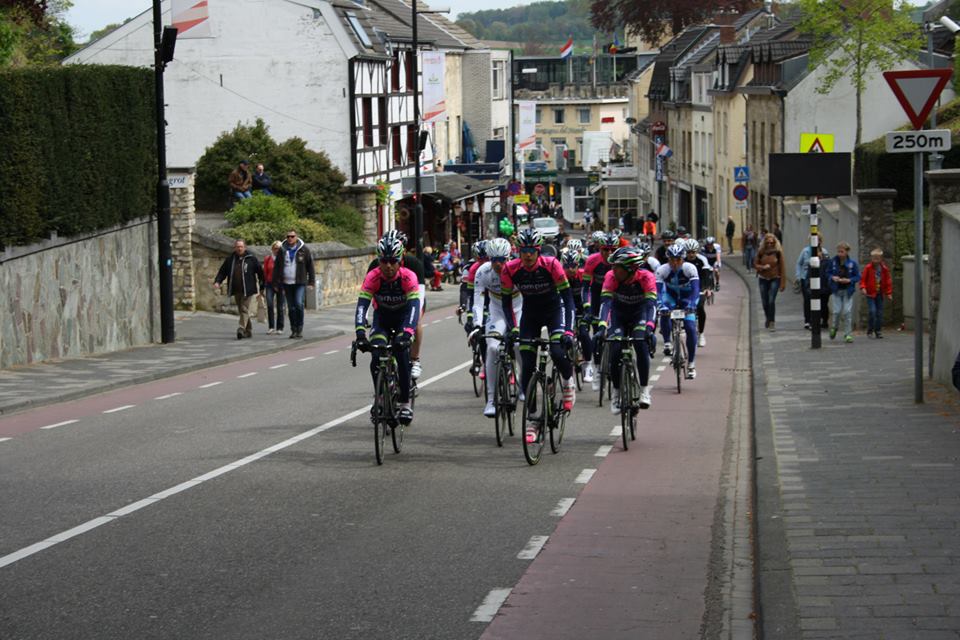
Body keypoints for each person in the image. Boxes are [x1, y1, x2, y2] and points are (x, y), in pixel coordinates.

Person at [501, 228, 577, 443]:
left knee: (557, 351)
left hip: (554, 311)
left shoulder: (552, 265)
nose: (527, 255)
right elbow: (506, 303)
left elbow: (568, 299)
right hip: (530, 315)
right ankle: (533, 419)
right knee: (526, 365)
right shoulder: (510, 269)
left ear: (538, 251)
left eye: (532, 251)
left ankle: (568, 382)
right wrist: (512, 328)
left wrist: (568, 330)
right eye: (523, 251)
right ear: (518, 251)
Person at [354, 235, 420, 425]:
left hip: (403, 320)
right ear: (379, 260)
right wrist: (360, 333)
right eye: (384, 261)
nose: (388, 266)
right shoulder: (373, 276)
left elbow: (414, 307)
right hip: (382, 320)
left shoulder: (408, 277)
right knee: (376, 355)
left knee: (402, 354)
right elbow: (362, 306)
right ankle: (380, 397)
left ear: (400, 260)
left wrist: (408, 333)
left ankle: (405, 403)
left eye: (393, 261)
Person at [597, 246, 658, 413]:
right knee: (615, 349)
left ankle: (644, 390)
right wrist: (602, 327)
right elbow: (606, 303)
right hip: (619, 315)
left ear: (629, 269)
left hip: (639, 314)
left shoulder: (646, 277)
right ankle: (616, 393)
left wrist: (650, 327)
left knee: (640, 344)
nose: (613, 269)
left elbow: (651, 305)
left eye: (617, 266)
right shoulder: (611, 277)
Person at [472, 238, 522, 417]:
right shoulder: (483, 272)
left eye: (502, 260)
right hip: (497, 311)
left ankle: (523, 383)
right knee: (492, 348)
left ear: (509, 258)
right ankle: (491, 400)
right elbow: (478, 301)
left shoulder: (519, 269)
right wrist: (477, 325)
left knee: (519, 346)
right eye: (494, 260)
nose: (498, 264)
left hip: (518, 309)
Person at [367, 230, 427, 379]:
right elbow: (368, 292)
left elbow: (420, 294)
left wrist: (413, 316)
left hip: (411, 299)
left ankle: (415, 359)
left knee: (416, 322)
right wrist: (367, 315)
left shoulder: (414, 264)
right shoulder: (376, 265)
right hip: (387, 302)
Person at [656, 244, 700, 379]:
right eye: (672, 260)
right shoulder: (662, 270)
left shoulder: (690, 268)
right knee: (664, 313)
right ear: (668, 259)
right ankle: (667, 343)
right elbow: (658, 292)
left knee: (690, 328)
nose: (675, 263)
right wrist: (660, 305)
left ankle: (691, 364)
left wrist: (692, 305)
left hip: (687, 299)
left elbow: (696, 289)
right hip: (670, 298)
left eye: (678, 260)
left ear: (683, 259)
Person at [583, 231, 620, 388]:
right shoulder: (592, 260)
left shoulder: (621, 261)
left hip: (617, 299)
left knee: (615, 334)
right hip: (598, 299)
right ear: (599, 248)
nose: (609, 253)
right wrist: (587, 307)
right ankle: (598, 369)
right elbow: (585, 287)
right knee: (598, 335)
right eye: (605, 249)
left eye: (613, 250)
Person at [213, 239, 265, 340]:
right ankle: (248, 330)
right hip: (236, 289)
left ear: (245, 247)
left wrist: (262, 286)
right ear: (235, 248)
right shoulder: (230, 259)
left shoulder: (251, 259)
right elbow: (222, 272)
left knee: (244, 308)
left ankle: (241, 328)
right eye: (238, 247)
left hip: (248, 289)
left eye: (241, 247)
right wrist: (218, 281)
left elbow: (260, 273)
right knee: (242, 309)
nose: (239, 248)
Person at [273, 229, 315, 339]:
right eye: (288, 236)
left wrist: (311, 282)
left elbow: (310, 266)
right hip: (287, 283)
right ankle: (294, 329)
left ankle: (300, 327)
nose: (290, 238)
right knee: (291, 307)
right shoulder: (282, 250)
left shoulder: (304, 250)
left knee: (298, 304)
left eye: (292, 236)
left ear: (296, 237)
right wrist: (275, 283)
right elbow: (277, 267)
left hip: (299, 282)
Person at [561, 247, 594, 383]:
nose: (570, 269)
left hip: (581, 307)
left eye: (573, 266)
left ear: (578, 265)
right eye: (567, 266)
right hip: (566, 307)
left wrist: (588, 310)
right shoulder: (560, 276)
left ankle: (588, 364)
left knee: (584, 334)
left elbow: (589, 293)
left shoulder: (582, 275)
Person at [827, 241, 860, 343]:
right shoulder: (833, 262)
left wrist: (849, 280)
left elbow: (858, 276)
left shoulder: (852, 264)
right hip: (836, 290)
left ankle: (848, 334)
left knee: (847, 312)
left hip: (848, 291)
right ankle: (834, 328)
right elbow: (827, 273)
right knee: (836, 311)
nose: (840, 254)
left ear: (847, 252)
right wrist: (833, 277)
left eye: (842, 252)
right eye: (838, 251)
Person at [795, 234, 830, 330]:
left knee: (821, 300)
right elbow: (799, 263)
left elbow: (828, 265)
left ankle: (821, 319)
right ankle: (808, 320)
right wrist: (798, 276)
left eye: (818, 240)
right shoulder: (805, 251)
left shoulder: (824, 251)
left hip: (820, 278)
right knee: (808, 299)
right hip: (806, 278)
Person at [684, 238, 713, 346]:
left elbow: (707, 275)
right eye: (688, 252)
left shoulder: (702, 260)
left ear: (696, 251)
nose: (691, 255)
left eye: (693, 252)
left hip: (700, 287)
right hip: (686, 287)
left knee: (700, 307)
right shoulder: (682, 260)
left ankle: (701, 334)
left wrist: (707, 288)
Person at [754, 233, 786, 331]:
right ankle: (768, 318)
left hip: (775, 278)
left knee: (771, 300)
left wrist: (782, 283)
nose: (769, 244)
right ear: (764, 243)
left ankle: (772, 322)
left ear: (774, 243)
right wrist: (762, 267)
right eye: (767, 243)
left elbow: (782, 268)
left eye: (771, 243)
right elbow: (755, 264)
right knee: (764, 302)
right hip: (763, 279)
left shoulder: (778, 252)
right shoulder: (761, 252)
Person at [859, 247, 893, 339]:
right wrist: (863, 287)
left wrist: (888, 293)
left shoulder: (884, 269)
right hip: (870, 294)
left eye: (877, 258)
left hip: (879, 294)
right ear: (871, 258)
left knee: (880, 313)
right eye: (874, 258)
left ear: (881, 259)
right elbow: (863, 279)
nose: (875, 260)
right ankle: (870, 330)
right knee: (872, 311)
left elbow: (888, 281)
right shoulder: (868, 268)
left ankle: (878, 330)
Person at [262, 241, 286, 335]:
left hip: (281, 285)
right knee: (270, 304)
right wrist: (263, 285)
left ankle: (280, 327)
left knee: (280, 306)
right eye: (275, 248)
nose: (277, 250)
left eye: (279, 249)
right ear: (272, 249)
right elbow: (265, 272)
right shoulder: (268, 259)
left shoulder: (284, 259)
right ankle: (271, 327)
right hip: (270, 284)